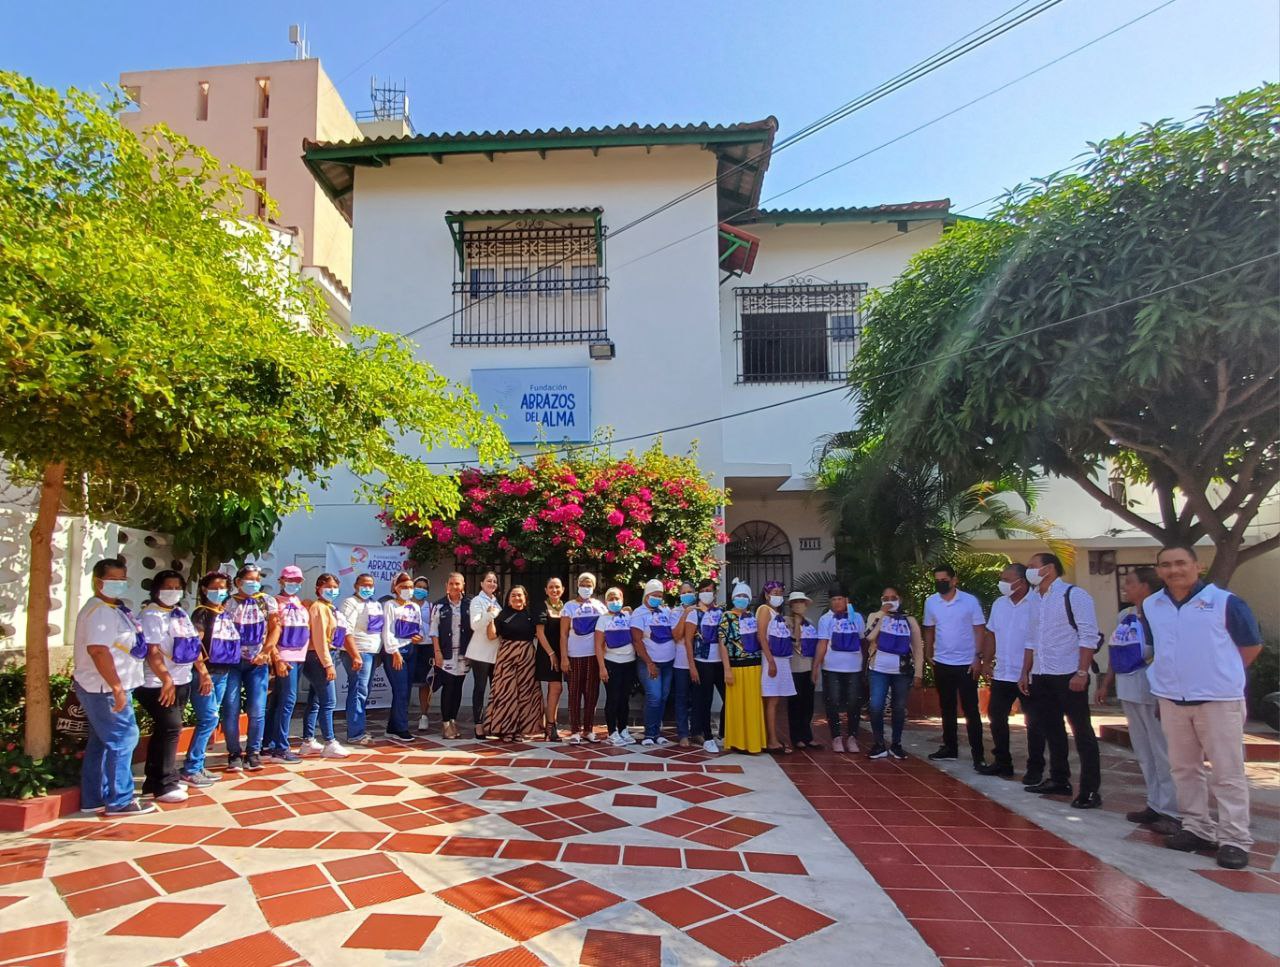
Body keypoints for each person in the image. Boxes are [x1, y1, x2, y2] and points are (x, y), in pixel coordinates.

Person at [1145, 544, 1263, 870]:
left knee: (1227, 773)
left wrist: (1220, 677)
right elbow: (1160, 648)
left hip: (1218, 702)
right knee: (1184, 769)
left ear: (1198, 566)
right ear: (1159, 571)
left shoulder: (1225, 602)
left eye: (1181, 563)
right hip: (1172, 700)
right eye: (1166, 565)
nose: (1174, 570)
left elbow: (1251, 646)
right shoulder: (1152, 604)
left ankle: (1234, 839)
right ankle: (1197, 828)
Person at [1017, 552, 1102, 809]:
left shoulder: (1074, 595)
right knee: (1052, 729)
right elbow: (1031, 639)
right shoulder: (1034, 599)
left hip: (1068, 673)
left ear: (1049, 569)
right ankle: (1059, 778)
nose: (1029, 571)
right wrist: (1026, 672)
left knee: (1082, 732)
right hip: (1042, 674)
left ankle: (1090, 790)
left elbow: (1089, 636)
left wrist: (1081, 672)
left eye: (1033, 567)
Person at [1096, 567, 1177, 834]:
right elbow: (1116, 649)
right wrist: (1107, 683)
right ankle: (1154, 803)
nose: (1125, 587)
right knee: (1143, 750)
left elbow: (1167, 652)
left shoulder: (1160, 614)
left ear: (1145, 586)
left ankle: (1173, 809)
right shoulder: (1125, 615)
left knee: (1162, 750)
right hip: (1129, 688)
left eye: (1130, 583)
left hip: (1153, 689)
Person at [73, 558, 152, 816]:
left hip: (107, 686)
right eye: (114, 580)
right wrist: (117, 687)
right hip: (103, 688)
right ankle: (120, 799)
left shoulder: (111, 608)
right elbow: (98, 650)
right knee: (123, 738)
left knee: (102, 742)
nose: (120, 584)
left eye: (122, 579)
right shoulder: (100, 612)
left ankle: (94, 798)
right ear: (99, 581)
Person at [136, 570, 199, 803]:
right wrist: (166, 679)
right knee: (171, 728)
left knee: (166, 730)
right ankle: (165, 784)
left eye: (177, 587)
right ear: (156, 589)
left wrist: (197, 672)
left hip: (182, 679)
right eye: (168, 587)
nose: (173, 592)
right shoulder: (152, 615)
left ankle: (155, 780)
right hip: (158, 683)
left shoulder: (179, 612)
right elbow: (152, 652)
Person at [923, 565, 987, 768]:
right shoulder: (931, 602)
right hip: (942, 662)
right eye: (937, 579)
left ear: (954, 580)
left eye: (944, 579)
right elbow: (929, 628)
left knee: (970, 709)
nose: (940, 582)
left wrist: (978, 657)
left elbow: (979, 630)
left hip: (966, 663)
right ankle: (950, 747)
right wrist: (928, 651)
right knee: (947, 707)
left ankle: (979, 755)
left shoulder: (969, 601)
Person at [979, 564, 1037, 779]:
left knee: (1033, 721)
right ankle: (1003, 762)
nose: (1002, 583)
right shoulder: (999, 604)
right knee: (996, 716)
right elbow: (991, 634)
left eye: (1007, 578)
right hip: (1003, 672)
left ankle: (1035, 768)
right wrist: (986, 661)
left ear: (1021, 582)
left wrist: (1027, 670)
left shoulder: (1036, 603)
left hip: (1028, 674)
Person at [182, 571, 236, 787]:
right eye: (214, 588)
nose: (219, 592)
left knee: (211, 718)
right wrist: (203, 673)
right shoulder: (202, 614)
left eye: (223, 588)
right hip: (206, 674)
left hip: (223, 672)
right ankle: (191, 768)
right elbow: (195, 645)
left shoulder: (224, 613)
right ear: (204, 590)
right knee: (209, 718)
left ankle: (198, 764)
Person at [224, 564, 279, 771]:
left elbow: (275, 628)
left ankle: (253, 752)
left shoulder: (266, 601)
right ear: (238, 582)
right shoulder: (227, 603)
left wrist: (266, 652)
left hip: (258, 663)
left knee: (257, 708)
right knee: (231, 708)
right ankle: (234, 753)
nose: (254, 583)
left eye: (257, 579)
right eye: (249, 579)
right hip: (232, 663)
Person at [865, 587, 924, 759]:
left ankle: (896, 743)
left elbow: (917, 648)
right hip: (879, 669)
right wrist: (882, 614)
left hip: (901, 671)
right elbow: (869, 636)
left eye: (893, 597)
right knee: (876, 706)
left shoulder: (909, 620)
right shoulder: (875, 616)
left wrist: (919, 673)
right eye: (885, 598)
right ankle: (879, 743)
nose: (889, 601)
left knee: (898, 707)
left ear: (900, 599)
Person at [298, 572, 350, 758]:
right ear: (318, 588)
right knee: (329, 701)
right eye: (328, 587)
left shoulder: (329, 607)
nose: (332, 590)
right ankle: (330, 741)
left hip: (324, 654)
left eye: (335, 587)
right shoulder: (318, 608)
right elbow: (319, 638)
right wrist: (328, 664)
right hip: (318, 656)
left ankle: (308, 740)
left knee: (315, 700)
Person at [484, 585, 543, 741]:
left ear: (525, 598)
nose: (517, 598)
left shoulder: (531, 615)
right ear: (509, 599)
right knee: (506, 693)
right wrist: (490, 619)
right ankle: (506, 729)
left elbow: (540, 634)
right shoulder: (503, 615)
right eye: (514, 596)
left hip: (527, 656)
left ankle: (521, 730)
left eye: (520, 595)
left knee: (526, 693)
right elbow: (491, 636)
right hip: (506, 655)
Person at [264, 564, 309, 763]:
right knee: (287, 701)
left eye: (297, 581)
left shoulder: (298, 601)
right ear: (281, 581)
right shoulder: (275, 602)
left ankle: (268, 743)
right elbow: (270, 633)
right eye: (290, 580)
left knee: (279, 700)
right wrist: (277, 658)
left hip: (299, 655)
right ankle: (280, 747)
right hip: (285, 657)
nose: (293, 584)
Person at [813, 586, 866, 754]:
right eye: (834, 599)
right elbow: (822, 643)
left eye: (840, 599)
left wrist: (865, 665)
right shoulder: (826, 619)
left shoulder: (857, 617)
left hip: (853, 667)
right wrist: (816, 666)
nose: (837, 602)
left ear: (846, 600)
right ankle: (836, 737)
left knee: (853, 702)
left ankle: (852, 737)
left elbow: (863, 640)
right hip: (832, 666)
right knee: (832, 701)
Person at [631, 578, 678, 746]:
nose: (657, 598)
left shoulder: (665, 612)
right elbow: (637, 641)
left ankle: (657, 732)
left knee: (664, 697)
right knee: (654, 697)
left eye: (660, 595)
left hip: (668, 663)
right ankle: (649, 734)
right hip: (649, 663)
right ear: (646, 595)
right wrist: (649, 663)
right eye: (654, 595)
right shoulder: (639, 613)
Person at [720, 580, 765, 754]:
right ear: (733, 598)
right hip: (736, 667)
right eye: (738, 596)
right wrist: (727, 669)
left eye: (745, 596)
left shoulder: (753, 617)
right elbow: (722, 643)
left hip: (755, 666)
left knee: (753, 706)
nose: (742, 599)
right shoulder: (727, 616)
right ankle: (738, 742)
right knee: (737, 706)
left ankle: (754, 742)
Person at [561, 572, 606, 744]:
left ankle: (588, 729)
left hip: (593, 656)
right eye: (583, 584)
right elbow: (563, 634)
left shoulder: (599, 606)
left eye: (589, 585)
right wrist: (564, 657)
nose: (586, 588)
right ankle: (574, 731)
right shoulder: (569, 607)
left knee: (591, 693)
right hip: (574, 656)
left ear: (593, 587)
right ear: (577, 585)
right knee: (574, 694)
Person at [430, 572, 472, 740]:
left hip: (463, 653)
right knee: (448, 687)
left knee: (458, 688)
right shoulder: (439, 605)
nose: (455, 587)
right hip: (446, 653)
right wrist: (437, 652)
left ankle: (453, 720)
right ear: (447, 585)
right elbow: (433, 631)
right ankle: (446, 723)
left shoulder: (469, 603)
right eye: (452, 584)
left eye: (458, 584)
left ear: (463, 585)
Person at [382, 571, 423, 742]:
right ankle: (401, 728)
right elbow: (387, 632)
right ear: (395, 588)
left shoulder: (415, 606)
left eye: (411, 587)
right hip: (395, 653)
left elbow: (419, 628)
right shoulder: (390, 605)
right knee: (400, 690)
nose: (408, 590)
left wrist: (419, 637)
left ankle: (393, 726)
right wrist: (395, 652)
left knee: (405, 690)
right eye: (404, 587)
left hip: (411, 651)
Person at [685, 578, 726, 752]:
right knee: (705, 701)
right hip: (703, 663)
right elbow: (687, 641)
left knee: (729, 698)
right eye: (704, 590)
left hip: (720, 663)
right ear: (699, 593)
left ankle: (723, 733)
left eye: (710, 590)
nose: (707, 593)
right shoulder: (694, 613)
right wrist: (692, 666)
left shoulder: (721, 612)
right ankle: (708, 737)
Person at [596, 587, 637, 745]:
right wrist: (602, 667)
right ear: (606, 601)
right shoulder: (603, 619)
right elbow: (598, 645)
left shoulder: (628, 615)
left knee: (624, 698)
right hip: (612, 663)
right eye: (611, 599)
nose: (615, 601)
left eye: (617, 598)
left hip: (629, 663)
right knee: (613, 698)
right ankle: (612, 732)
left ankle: (623, 728)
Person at [759, 581, 797, 754]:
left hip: (782, 660)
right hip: (772, 660)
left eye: (781, 593)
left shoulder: (778, 613)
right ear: (767, 595)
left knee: (777, 701)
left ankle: (774, 736)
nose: (778, 596)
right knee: (772, 701)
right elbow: (762, 636)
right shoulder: (765, 610)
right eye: (774, 592)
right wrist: (771, 661)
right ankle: (772, 740)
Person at [783, 591, 822, 750]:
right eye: (796, 602)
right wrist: (797, 623)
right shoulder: (787, 621)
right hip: (794, 668)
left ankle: (807, 735)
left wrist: (815, 668)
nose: (799, 605)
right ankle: (796, 737)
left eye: (802, 602)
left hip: (808, 666)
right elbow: (795, 642)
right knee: (795, 704)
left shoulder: (811, 622)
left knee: (808, 703)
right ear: (791, 605)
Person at [467, 571, 502, 739]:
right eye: (489, 580)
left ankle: (493, 722)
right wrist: (490, 614)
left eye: (494, 581)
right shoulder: (477, 601)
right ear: (481, 583)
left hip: (496, 653)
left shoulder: (496, 601)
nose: (492, 583)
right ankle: (478, 724)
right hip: (480, 653)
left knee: (496, 690)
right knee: (480, 689)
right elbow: (475, 625)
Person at [533, 576, 566, 742]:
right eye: (551, 587)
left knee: (556, 689)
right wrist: (552, 654)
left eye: (557, 587)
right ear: (546, 590)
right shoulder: (541, 606)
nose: (554, 590)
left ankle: (550, 722)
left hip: (563, 653)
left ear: (563, 589)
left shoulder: (565, 608)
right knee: (555, 687)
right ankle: (550, 727)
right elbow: (540, 633)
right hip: (547, 653)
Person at [670, 581, 701, 748]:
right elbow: (676, 635)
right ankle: (683, 733)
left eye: (690, 591)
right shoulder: (675, 612)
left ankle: (697, 731)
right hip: (680, 663)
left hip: (700, 661)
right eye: (684, 592)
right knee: (681, 698)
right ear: (679, 594)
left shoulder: (702, 610)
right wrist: (685, 614)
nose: (687, 594)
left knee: (697, 699)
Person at [411, 576, 434, 732]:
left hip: (427, 647)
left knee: (425, 683)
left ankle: (424, 715)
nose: (421, 589)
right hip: (410, 647)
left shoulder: (431, 607)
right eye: (418, 586)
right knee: (405, 682)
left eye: (424, 587)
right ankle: (400, 715)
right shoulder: (406, 606)